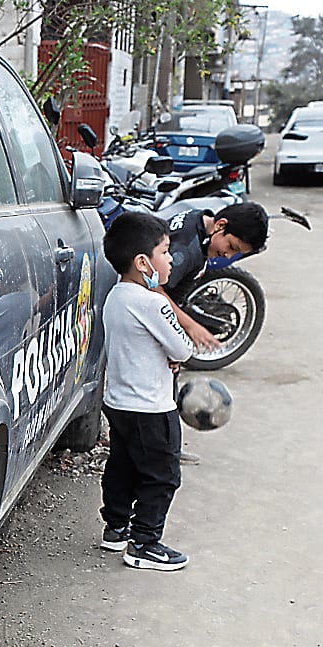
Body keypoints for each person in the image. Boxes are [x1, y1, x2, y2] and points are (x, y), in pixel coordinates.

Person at [99, 211, 196, 571]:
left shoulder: (116, 297)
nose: (170, 259)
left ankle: (116, 527)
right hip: (151, 407)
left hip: (119, 401)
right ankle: (144, 542)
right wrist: (174, 355)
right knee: (161, 474)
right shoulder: (152, 301)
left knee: (123, 464)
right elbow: (182, 349)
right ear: (144, 262)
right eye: (165, 252)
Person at [161, 203, 269, 349]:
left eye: (236, 253)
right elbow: (150, 289)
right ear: (220, 225)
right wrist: (189, 325)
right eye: (231, 246)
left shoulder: (198, 217)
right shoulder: (185, 250)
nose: (228, 255)